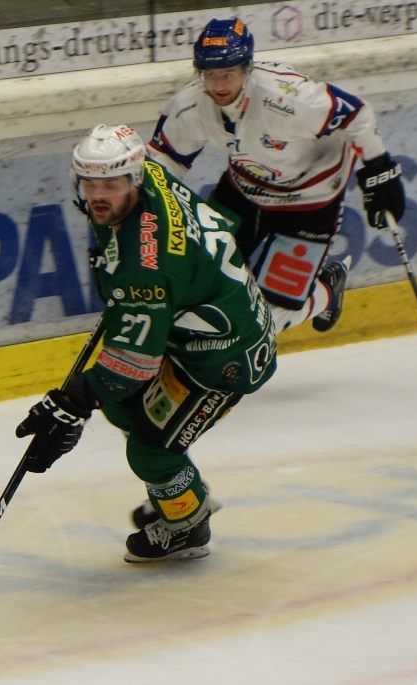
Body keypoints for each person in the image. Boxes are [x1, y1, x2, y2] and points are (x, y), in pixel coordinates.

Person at [15, 124, 277, 563]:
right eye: (90, 183)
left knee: (150, 451)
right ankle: (185, 492)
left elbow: (133, 363)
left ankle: (186, 528)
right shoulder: (151, 175)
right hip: (199, 325)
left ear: (133, 180)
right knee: (124, 408)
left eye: (111, 185)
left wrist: (73, 402)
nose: (99, 195)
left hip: (226, 356)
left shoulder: (146, 267)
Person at [148, 18, 406, 333]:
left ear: (247, 68)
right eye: (210, 75)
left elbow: (356, 113)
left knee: (267, 320)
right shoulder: (189, 105)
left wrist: (380, 167)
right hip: (242, 190)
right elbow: (164, 160)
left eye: (228, 73)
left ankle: (326, 289)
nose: (219, 86)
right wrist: (146, 208)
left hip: (310, 200)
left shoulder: (287, 98)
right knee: (198, 277)